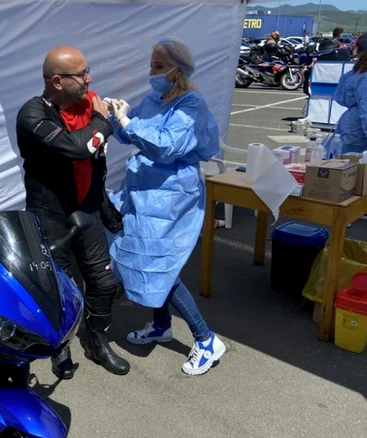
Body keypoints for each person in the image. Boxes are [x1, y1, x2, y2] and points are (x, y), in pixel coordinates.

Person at [103, 37, 226, 376]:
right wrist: (118, 117)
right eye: (151, 65)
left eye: (158, 66)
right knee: (143, 256)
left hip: (171, 194)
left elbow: (167, 146)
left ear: (177, 70)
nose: (152, 72)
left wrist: (130, 123)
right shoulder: (155, 98)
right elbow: (133, 136)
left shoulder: (190, 103)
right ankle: (161, 324)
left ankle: (206, 339)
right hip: (144, 190)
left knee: (159, 266)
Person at [16, 46, 130, 378]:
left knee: (104, 283)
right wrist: (102, 121)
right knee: (58, 287)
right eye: (81, 74)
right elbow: (78, 149)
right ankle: (59, 346)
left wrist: (106, 208)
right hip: (52, 214)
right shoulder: (32, 114)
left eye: (87, 71)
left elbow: (96, 160)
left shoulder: (88, 106)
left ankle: (96, 341)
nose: (88, 79)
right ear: (57, 81)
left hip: (88, 210)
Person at [333, 35, 367, 156]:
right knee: (349, 167)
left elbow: (341, 97)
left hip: (359, 128)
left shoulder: (364, 73)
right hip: (359, 132)